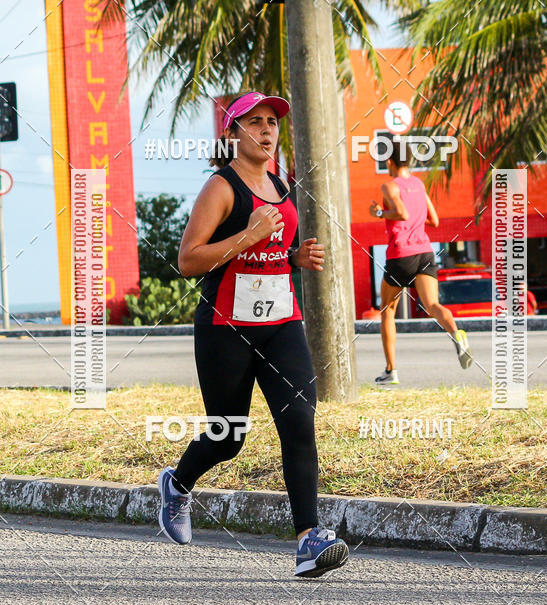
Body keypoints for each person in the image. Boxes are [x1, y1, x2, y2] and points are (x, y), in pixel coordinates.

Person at [157, 91, 349, 578]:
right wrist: (248, 234)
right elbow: (188, 261)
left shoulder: (280, 185)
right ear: (233, 133)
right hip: (227, 328)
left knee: (299, 419)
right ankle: (177, 485)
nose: (266, 130)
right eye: (255, 122)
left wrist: (296, 259)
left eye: (272, 123)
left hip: (281, 322)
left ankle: (309, 538)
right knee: (229, 435)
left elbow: (270, 257)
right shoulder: (221, 188)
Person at [369, 138, 473, 386]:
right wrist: (414, 217)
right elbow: (434, 220)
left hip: (401, 253)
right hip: (425, 252)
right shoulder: (418, 184)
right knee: (433, 304)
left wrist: (380, 213)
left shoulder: (389, 186)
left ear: (390, 161)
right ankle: (457, 336)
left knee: (387, 311)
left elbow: (401, 213)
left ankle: (391, 371)